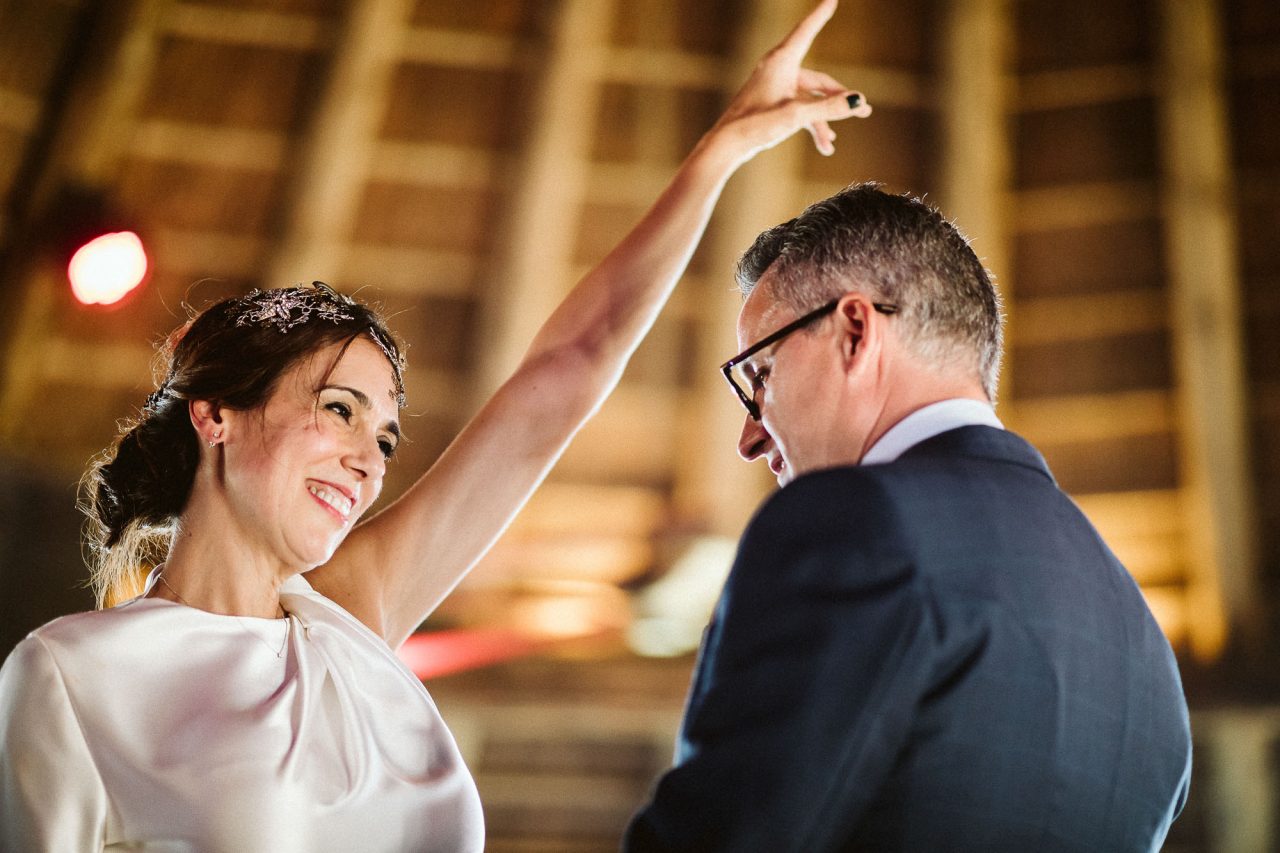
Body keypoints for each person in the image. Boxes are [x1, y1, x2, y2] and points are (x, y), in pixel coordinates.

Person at [0, 3, 872, 850]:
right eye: (339, 408)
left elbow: (567, 370)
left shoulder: (347, 613)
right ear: (217, 414)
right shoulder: (71, 677)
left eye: (384, 437)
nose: (366, 462)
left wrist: (722, 150)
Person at [624, 183, 1193, 851]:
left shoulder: (848, 523)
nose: (749, 439)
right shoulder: (1142, 643)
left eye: (761, 374)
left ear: (855, 331)